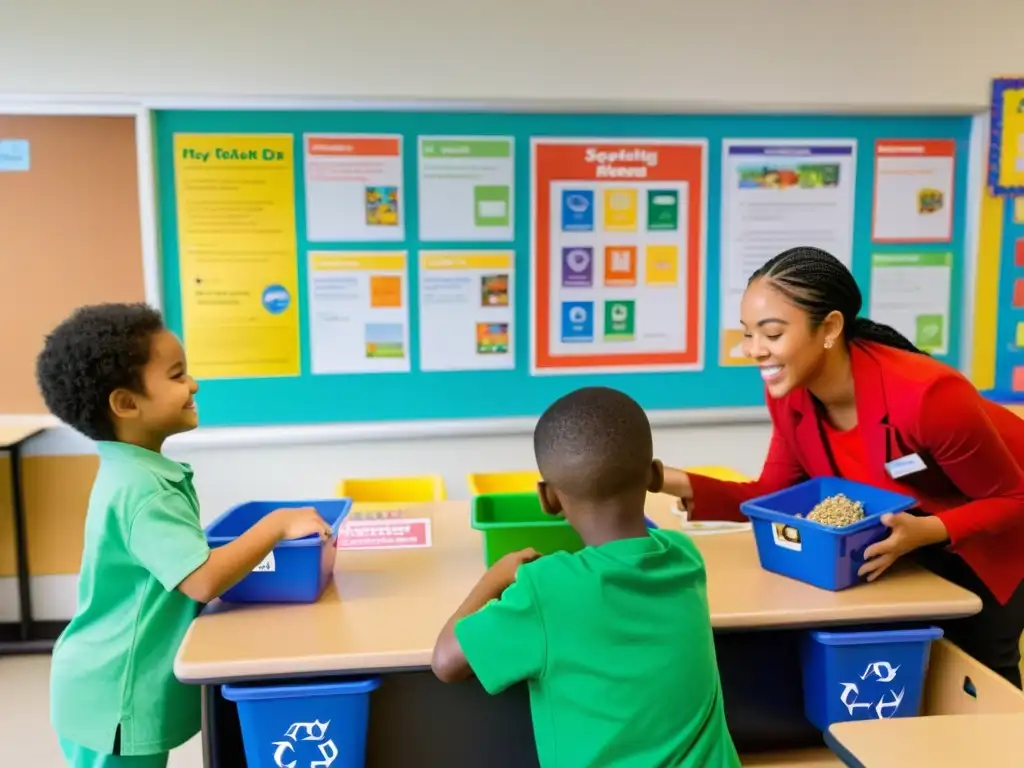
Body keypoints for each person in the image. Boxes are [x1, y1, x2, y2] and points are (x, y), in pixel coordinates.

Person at [664, 246, 1024, 687]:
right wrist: (659, 478)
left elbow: (1013, 498)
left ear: (830, 327)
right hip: (913, 537)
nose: (753, 350)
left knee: (981, 677)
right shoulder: (792, 391)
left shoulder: (927, 396)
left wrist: (927, 532)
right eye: (747, 334)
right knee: (923, 674)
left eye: (772, 334)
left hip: (999, 536)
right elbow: (769, 495)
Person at [36, 304, 332, 768]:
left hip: (106, 680)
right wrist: (274, 525)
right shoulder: (144, 490)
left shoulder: (133, 470)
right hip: (117, 690)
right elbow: (202, 580)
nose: (193, 384)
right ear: (126, 404)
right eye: (177, 376)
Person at [431, 386, 739, 767]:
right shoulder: (685, 555)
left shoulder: (545, 588)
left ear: (548, 499)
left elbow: (446, 661)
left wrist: (495, 577)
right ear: (656, 476)